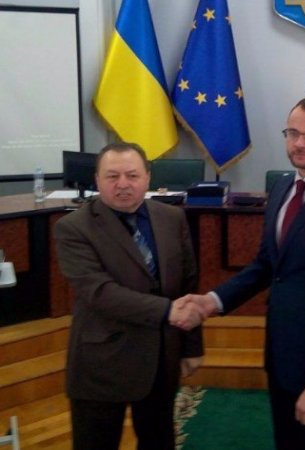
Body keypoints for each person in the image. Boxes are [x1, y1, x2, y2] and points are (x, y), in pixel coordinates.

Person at [183, 96, 305, 450]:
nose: (300, 143)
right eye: (293, 133)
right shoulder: (282, 189)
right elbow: (267, 266)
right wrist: (212, 301)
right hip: (281, 359)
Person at [54, 142, 206, 450]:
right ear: (97, 179)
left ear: (148, 177)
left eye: (132, 175)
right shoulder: (73, 228)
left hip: (162, 360)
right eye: (112, 176)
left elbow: (187, 285)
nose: (123, 184)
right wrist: (167, 311)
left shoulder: (172, 217)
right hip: (103, 364)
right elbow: (99, 293)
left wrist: (191, 346)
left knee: (158, 442)